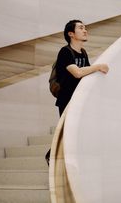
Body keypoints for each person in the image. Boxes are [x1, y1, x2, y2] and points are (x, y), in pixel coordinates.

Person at [45, 19, 109, 165]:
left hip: (79, 100)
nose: (85, 30)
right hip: (66, 100)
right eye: (81, 28)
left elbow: (87, 75)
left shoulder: (83, 53)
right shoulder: (65, 52)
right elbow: (78, 72)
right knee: (67, 133)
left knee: (75, 133)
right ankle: (52, 156)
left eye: (85, 28)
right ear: (71, 34)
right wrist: (98, 66)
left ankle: (65, 160)